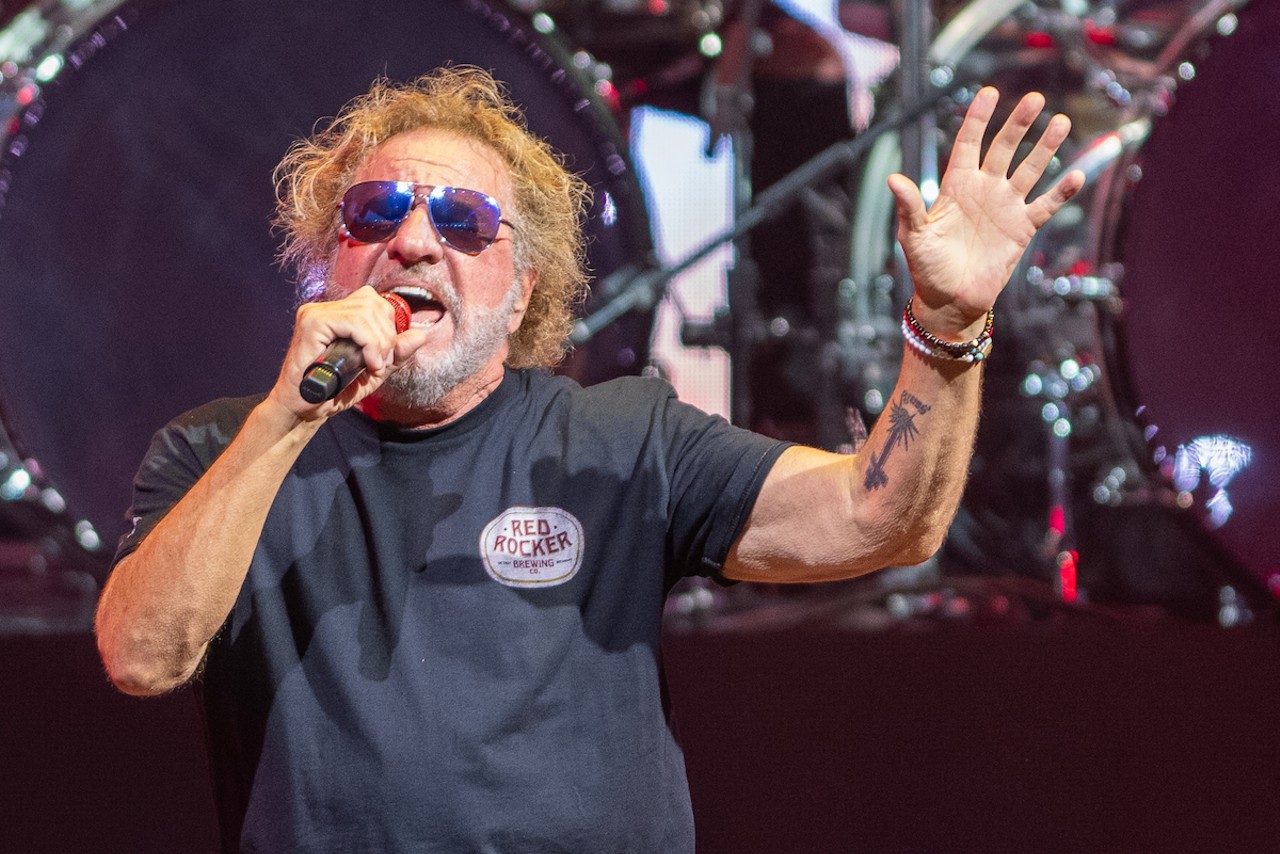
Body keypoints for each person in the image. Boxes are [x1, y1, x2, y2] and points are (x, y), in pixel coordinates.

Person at [94, 66, 1082, 851]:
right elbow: (142, 657)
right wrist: (286, 415)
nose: (412, 240)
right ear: (325, 259)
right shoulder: (224, 448)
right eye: (375, 210)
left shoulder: (618, 438)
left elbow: (879, 516)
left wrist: (945, 323)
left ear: (519, 292)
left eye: (462, 221)